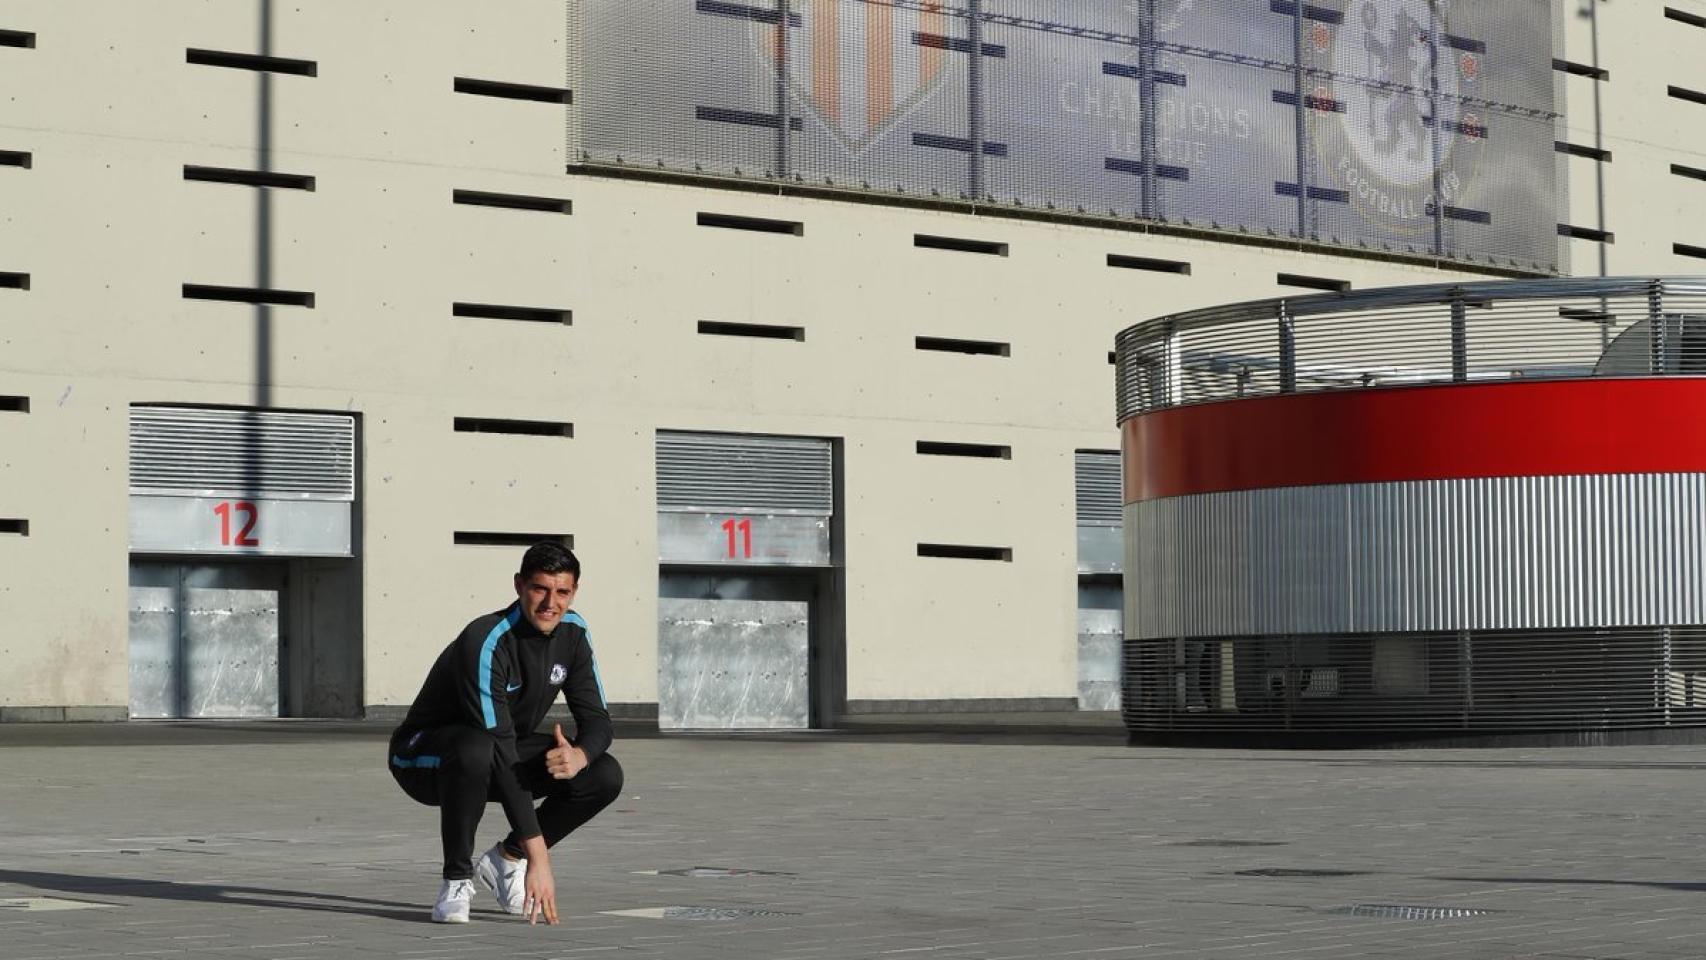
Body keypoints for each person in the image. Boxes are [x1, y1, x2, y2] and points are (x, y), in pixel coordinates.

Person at [387, 541, 623, 924]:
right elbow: (499, 747)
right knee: (476, 748)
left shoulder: (574, 633)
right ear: (519, 586)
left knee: (603, 773)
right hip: (423, 756)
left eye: (562, 592)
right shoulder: (486, 640)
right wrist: (541, 859)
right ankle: (456, 879)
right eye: (539, 589)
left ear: (574, 591)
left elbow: (598, 722)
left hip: (497, 751)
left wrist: (579, 756)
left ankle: (504, 859)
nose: (551, 602)